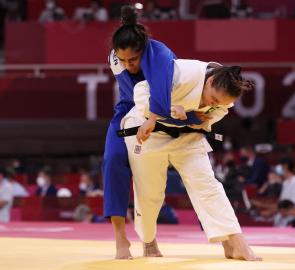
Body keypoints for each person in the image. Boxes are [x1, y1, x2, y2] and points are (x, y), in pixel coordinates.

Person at [122, 60, 261, 261]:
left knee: (207, 185)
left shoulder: (225, 90)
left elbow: (220, 111)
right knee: (150, 192)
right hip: (148, 132)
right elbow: (141, 91)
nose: (213, 104)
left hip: (187, 135)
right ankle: (149, 241)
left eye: (219, 102)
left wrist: (196, 119)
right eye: (213, 98)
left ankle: (235, 242)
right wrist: (170, 109)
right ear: (209, 81)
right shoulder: (181, 74)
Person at [103, 5, 202, 260]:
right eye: (122, 60)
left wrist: (177, 112)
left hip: (162, 112)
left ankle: (149, 239)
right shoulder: (115, 58)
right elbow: (130, 93)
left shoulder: (160, 55)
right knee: (112, 162)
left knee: (146, 177)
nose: (128, 65)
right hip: (127, 112)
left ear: (143, 51)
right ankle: (120, 238)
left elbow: (167, 94)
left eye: (133, 60)